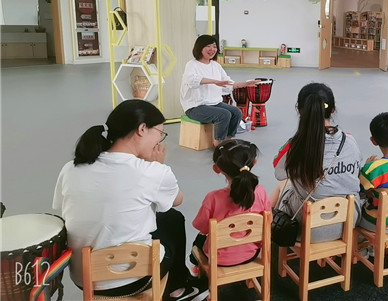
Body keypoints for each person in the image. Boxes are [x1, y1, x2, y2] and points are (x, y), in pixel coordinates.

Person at [52, 100, 207, 301]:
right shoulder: (152, 172)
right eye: (160, 133)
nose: (159, 142)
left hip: (83, 277)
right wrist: (157, 166)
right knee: (173, 218)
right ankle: (177, 288)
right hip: (134, 278)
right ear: (142, 129)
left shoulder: (70, 168)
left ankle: (177, 287)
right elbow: (178, 199)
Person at [270, 82, 364, 242]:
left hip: (309, 228)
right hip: (347, 222)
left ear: (299, 110)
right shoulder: (349, 140)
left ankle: (260, 237)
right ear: (333, 109)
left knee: (283, 185)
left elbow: (279, 172)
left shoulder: (296, 144)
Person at [189, 139, 271, 275]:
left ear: (216, 169)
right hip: (251, 254)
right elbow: (268, 220)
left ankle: (197, 268)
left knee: (199, 238)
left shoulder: (213, 198)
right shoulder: (261, 191)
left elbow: (201, 227)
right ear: (254, 162)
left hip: (218, 258)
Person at [180, 35, 260, 147]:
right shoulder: (192, 65)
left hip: (214, 103)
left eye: (214, 46)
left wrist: (245, 84)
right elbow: (192, 80)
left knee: (236, 112)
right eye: (208, 46)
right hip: (195, 106)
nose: (212, 49)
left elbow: (228, 83)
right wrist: (214, 81)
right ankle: (218, 143)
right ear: (200, 48)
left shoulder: (216, 66)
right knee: (224, 114)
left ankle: (228, 140)